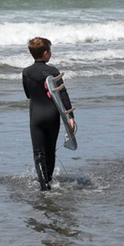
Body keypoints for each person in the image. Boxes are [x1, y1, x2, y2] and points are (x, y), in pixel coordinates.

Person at [21, 37, 75, 191]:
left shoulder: (26, 72)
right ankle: (49, 179)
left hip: (36, 115)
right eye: (50, 51)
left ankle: (44, 185)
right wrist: (70, 118)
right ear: (45, 53)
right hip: (52, 115)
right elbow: (63, 94)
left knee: (38, 151)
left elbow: (28, 95)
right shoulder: (53, 71)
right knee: (50, 151)